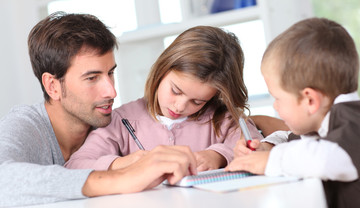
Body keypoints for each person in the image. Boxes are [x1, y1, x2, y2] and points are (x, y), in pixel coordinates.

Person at [0, 12, 198, 208]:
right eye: (92, 78)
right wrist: (120, 178)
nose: (111, 91)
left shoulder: (118, 123)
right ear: (53, 86)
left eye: (110, 73)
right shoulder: (27, 125)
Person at [226, 18, 360, 208]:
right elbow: (295, 138)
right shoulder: (324, 123)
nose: (274, 106)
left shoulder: (353, 118)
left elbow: (326, 157)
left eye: (277, 98)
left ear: (309, 100)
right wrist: (268, 145)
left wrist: (269, 161)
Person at [65, 26, 263, 172]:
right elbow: (76, 166)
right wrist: (125, 163)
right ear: (162, 71)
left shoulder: (223, 120)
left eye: (197, 102)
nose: (180, 106)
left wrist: (218, 155)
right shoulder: (121, 121)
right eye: (176, 91)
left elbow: (256, 146)